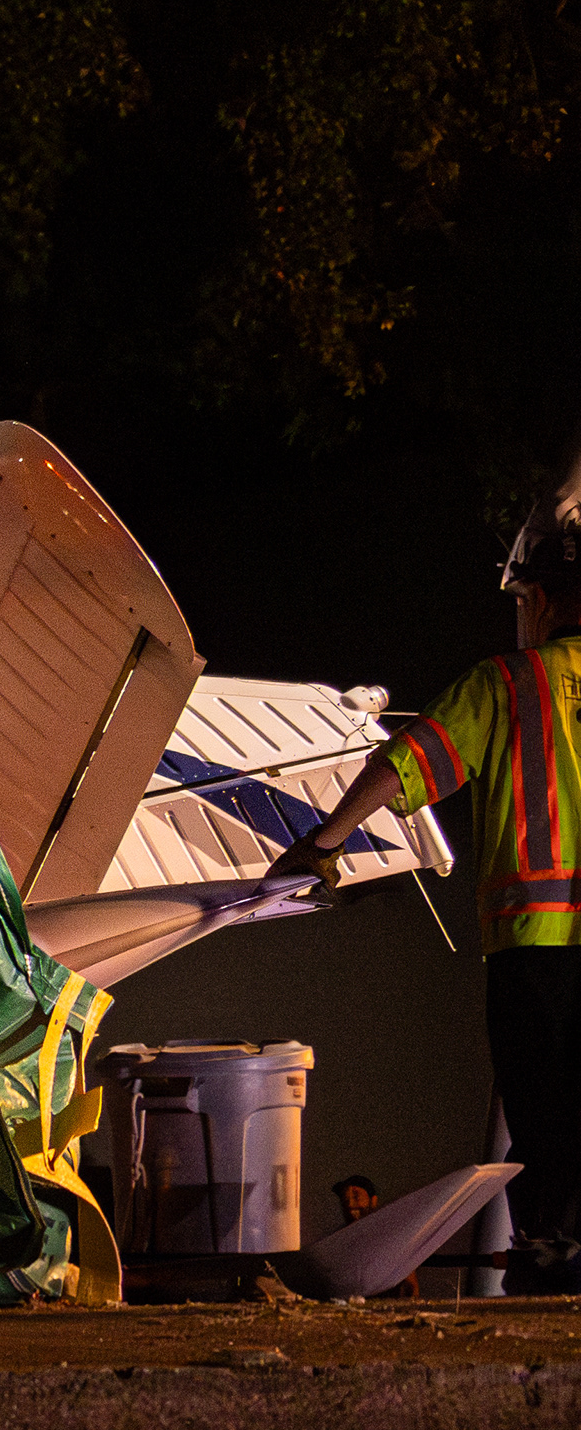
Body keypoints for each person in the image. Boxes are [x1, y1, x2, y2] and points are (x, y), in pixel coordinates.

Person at [283, 499, 581, 1288]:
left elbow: (407, 762)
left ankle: (558, 1258)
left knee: (550, 1117)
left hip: (538, 951)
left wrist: (324, 842)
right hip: (541, 949)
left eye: (521, 600)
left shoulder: (509, 685)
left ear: (542, 597)